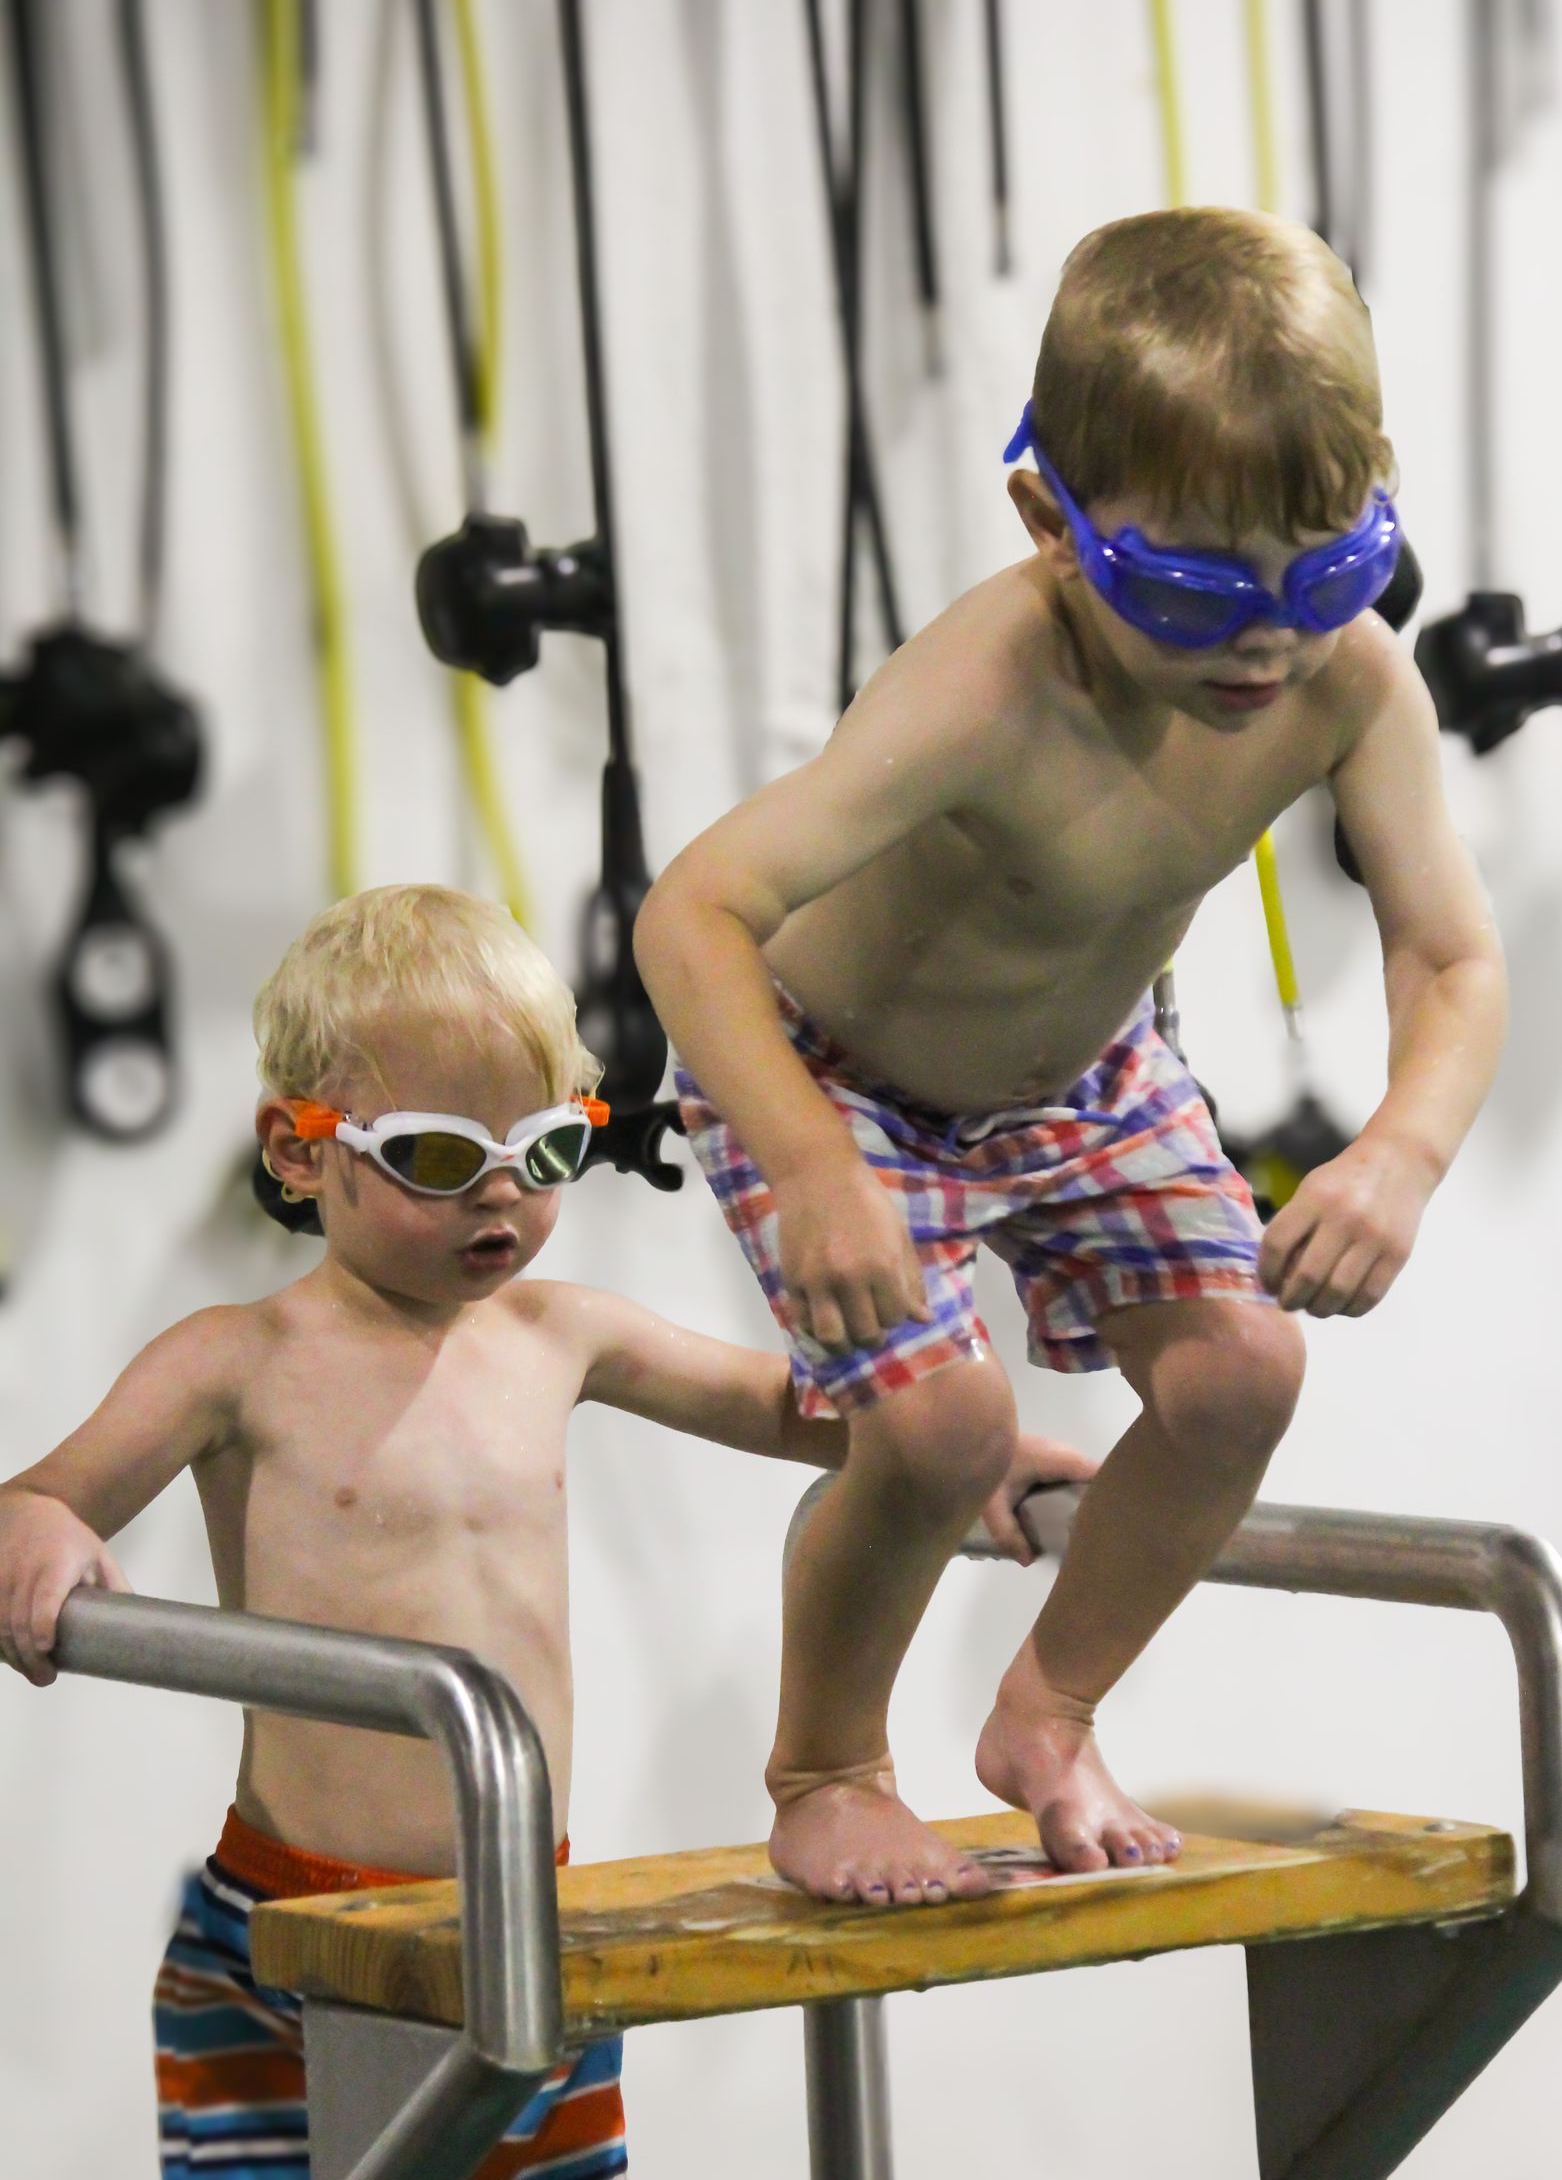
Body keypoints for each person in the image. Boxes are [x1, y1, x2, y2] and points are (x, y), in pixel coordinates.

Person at [633, 209, 1509, 1911]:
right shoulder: (988, 686)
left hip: (1094, 1075)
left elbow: (1450, 952)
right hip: (844, 1082)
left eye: (1326, 570)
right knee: (946, 1428)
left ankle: (1050, 1713)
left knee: (1244, 1375)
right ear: (1053, 521)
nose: (1263, 642)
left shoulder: (1348, 685)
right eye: (1191, 586)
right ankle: (826, 1766)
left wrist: (1403, 1147)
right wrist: (812, 1167)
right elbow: (693, 917)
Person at [0, 884, 1087, 2179]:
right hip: (290, 1926)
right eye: (443, 1159)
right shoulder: (235, 1362)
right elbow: (38, 1497)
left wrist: (968, 1451)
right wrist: (43, 1529)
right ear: (297, 1153)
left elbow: (805, 1412)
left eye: (548, 1153)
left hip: (525, 1911)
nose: (501, 1199)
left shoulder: (562, 1332)